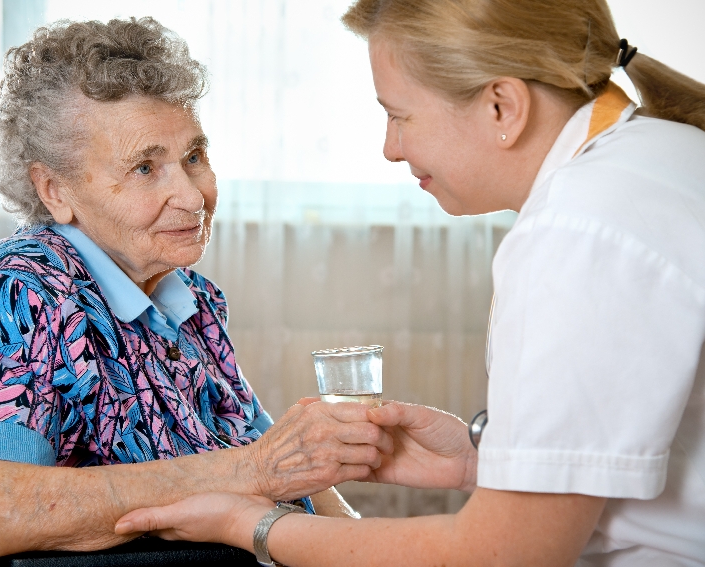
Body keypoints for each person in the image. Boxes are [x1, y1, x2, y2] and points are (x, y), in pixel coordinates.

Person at [114, 1, 705, 565]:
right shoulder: (659, 155)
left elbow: (504, 555)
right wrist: (479, 460)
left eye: (398, 115)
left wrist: (252, 526)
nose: (390, 148)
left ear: (503, 106)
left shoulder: (577, 235)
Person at [0, 17, 394, 562]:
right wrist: (251, 468)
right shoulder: (26, 294)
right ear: (55, 190)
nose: (193, 197)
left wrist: (366, 548)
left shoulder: (188, 298)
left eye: (194, 157)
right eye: (145, 168)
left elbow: (291, 472)